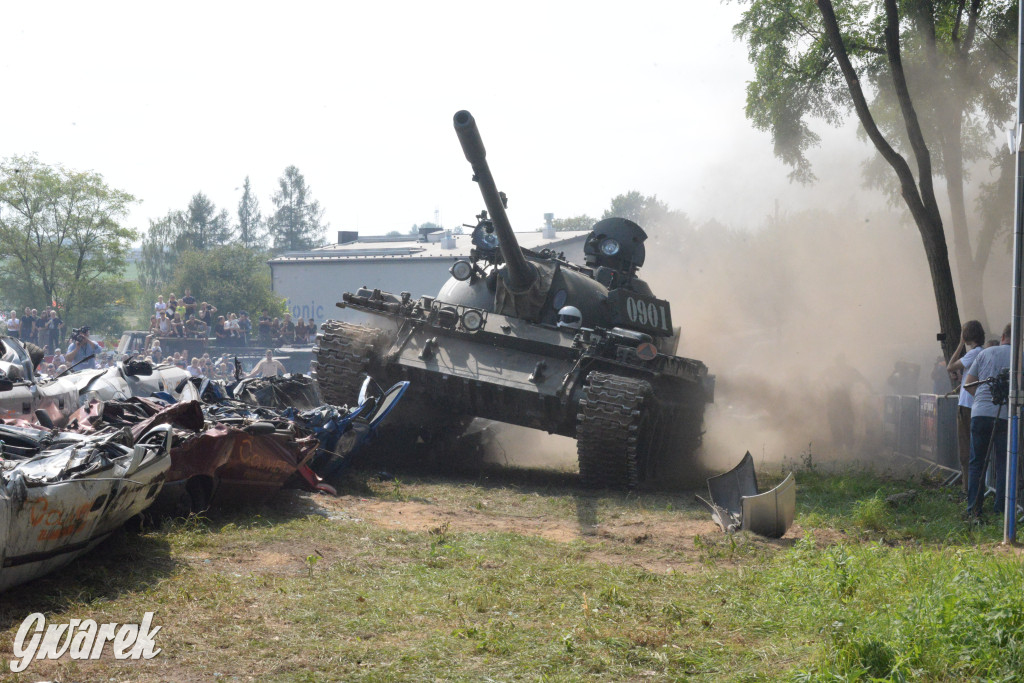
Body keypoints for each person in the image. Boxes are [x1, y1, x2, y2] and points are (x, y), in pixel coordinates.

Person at [964, 323, 1012, 519]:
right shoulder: (1020, 356)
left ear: (1002, 336)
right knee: (1003, 464)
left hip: (980, 413)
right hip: (1005, 415)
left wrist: (982, 401)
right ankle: (1001, 510)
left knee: (977, 463)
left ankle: (974, 510)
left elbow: (969, 384)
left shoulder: (985, 353)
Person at [947, 320, 986, 493]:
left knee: (965, 450)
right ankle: (972, 487)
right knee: (975, 449)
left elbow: (950, 366)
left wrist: (960, 344)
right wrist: (962, 378)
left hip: (967, 406)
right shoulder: (983, 352)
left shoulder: (973, 353)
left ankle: (967, 489)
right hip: (976, 406)